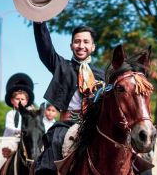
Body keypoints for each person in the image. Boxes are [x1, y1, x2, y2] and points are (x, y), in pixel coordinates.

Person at [33, 22, 105, 174]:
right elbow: (45, 50)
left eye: (86, 42)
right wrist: (39, 23)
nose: (81, 45)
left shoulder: (102, 75)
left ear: (93, 47)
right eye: (77, 41)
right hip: (66, 124)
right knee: (55, 142)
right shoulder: (61, 66)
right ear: (71, 45)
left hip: (95, 124)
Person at [2, 73, 35, 158]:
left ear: (26, 102)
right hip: (10, 141)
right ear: (12, 101)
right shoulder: (10, 114)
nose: (20, 101)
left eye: (22, 99)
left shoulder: (29, 114)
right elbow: (9, 127)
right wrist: (20, 131)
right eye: (17, 99)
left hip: (24, 141)